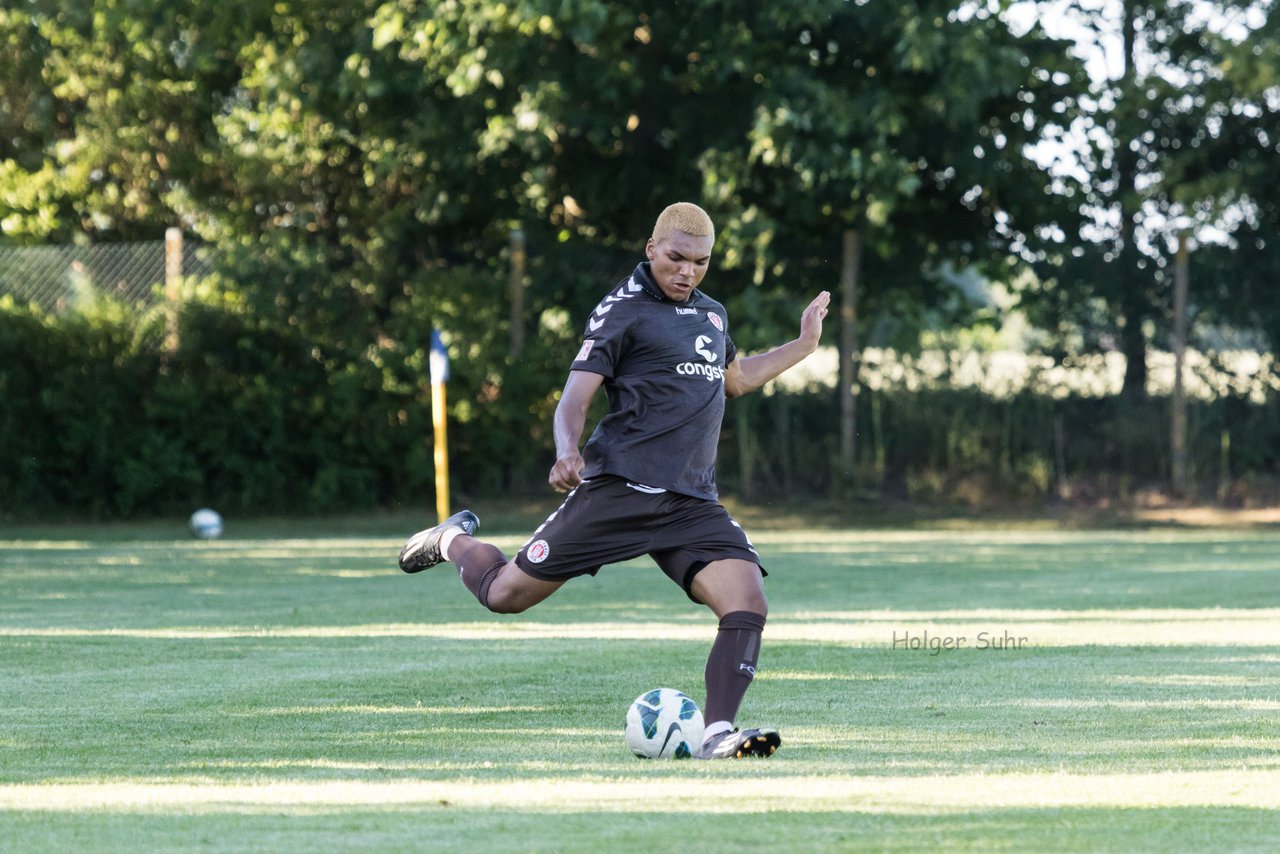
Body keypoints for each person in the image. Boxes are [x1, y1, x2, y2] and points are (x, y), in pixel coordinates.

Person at [399, 202, 830, 760]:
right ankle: (451, 540)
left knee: (747, 601)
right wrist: (566, 451)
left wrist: (804, 345)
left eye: (700, 262)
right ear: (651, 249)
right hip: (619, 489)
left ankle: (718, 732)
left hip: (691, 502)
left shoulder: (712, 314)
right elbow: (574, 398)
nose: (688, 272)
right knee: (505, 596)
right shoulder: (620, 311)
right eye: (676, 258)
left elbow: (737, 379)